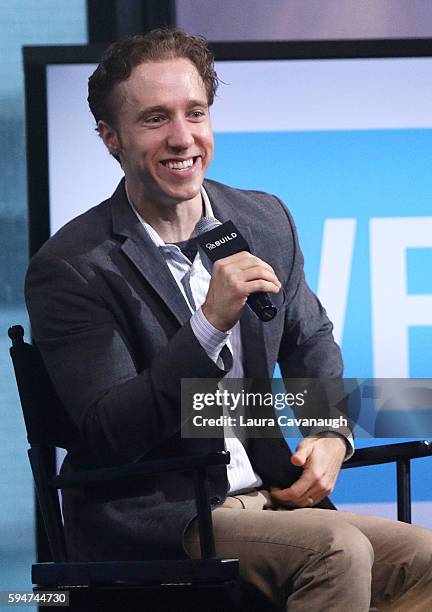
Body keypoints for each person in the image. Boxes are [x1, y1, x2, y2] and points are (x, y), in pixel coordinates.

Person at [25, 29, 432, 611]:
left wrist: (328, 431)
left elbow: (309, 337)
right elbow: (111, 433)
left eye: (196, 113)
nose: (182, 137)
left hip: (272, 493)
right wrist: (207, 326)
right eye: (154, 119)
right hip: (163, 516)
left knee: (424, 559)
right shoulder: (74, 267)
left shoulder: (261, 218)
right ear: (110, 138)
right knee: (339, 550)